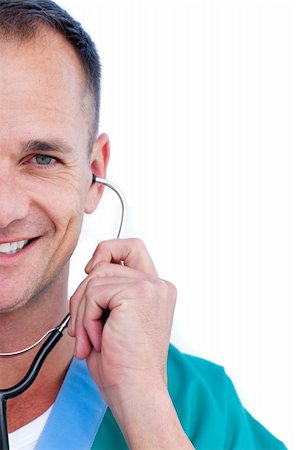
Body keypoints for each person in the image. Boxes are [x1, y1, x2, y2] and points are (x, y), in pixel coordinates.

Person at [0, 1, 286, 449]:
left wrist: (147, 411)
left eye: (42, 158)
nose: (5, 208)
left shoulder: (191, 406)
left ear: (94, 173)